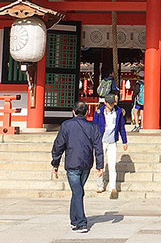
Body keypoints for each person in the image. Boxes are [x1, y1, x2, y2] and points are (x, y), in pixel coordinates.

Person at [51, 100, 104, 233]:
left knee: (77, 191)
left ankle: (81, 222)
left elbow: (59, 145)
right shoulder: (93, 126)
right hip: (86, 163)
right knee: (78, 191)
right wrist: (100, 165)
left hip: (73, 163)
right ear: (87, 112)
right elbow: (98, 146)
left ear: (73, 112)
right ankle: (74, 219)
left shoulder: (66, 125)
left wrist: (55, 162)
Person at [92, 94, 128, 199]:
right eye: (110, 103)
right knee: (100, 164)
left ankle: (113, 187)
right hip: (101, 141)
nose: (112, 105)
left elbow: (121, 127)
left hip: (112, 141)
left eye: (113, 103)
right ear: (105, 103)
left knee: (112, 165)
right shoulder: (99, 113)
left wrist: (124, 141)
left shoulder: (118, 112)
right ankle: (100, 184)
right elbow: (94, 127)